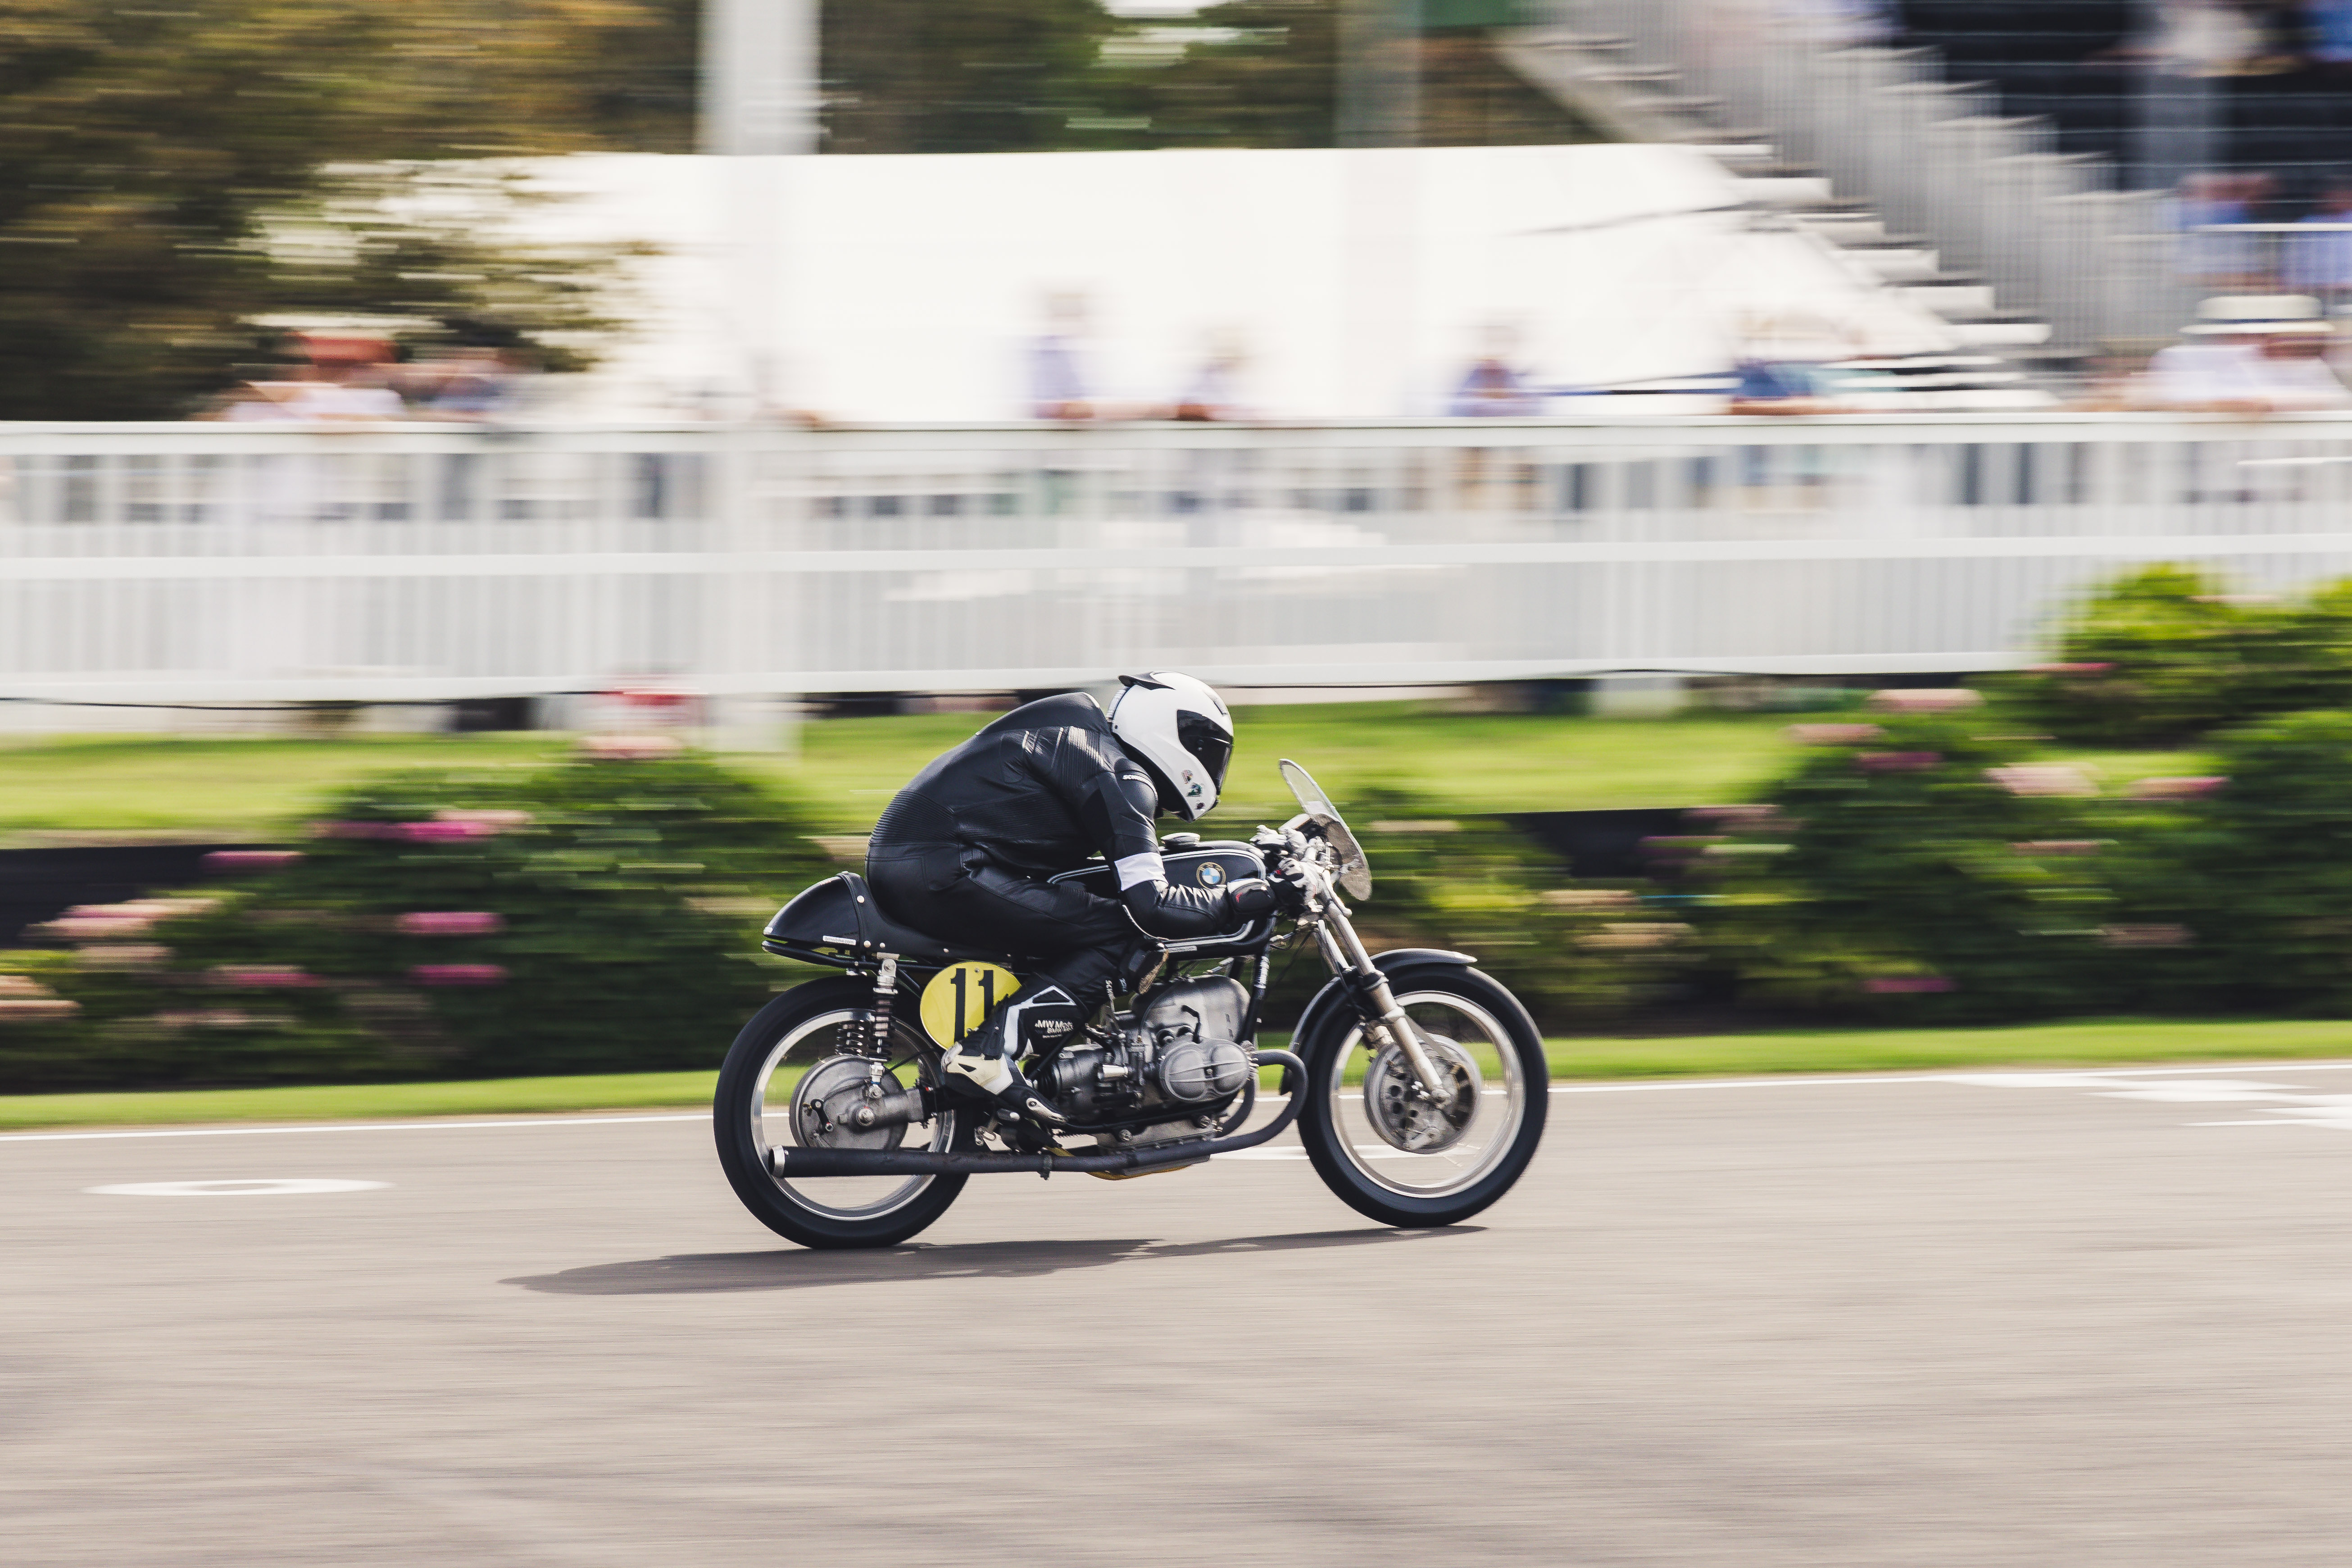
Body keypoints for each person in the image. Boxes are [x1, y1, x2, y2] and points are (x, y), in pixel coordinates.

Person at [864, 673, 1276, 1126]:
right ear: (1171, 733)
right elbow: (1152, 906)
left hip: (924, 862)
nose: (1211, 765)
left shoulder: (1086, 741)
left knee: (1089, 915)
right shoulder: (1119, 776)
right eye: (1207, 750)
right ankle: (987, 1052)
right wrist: (1240, 899)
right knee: (1126, 934)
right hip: (944, 870)